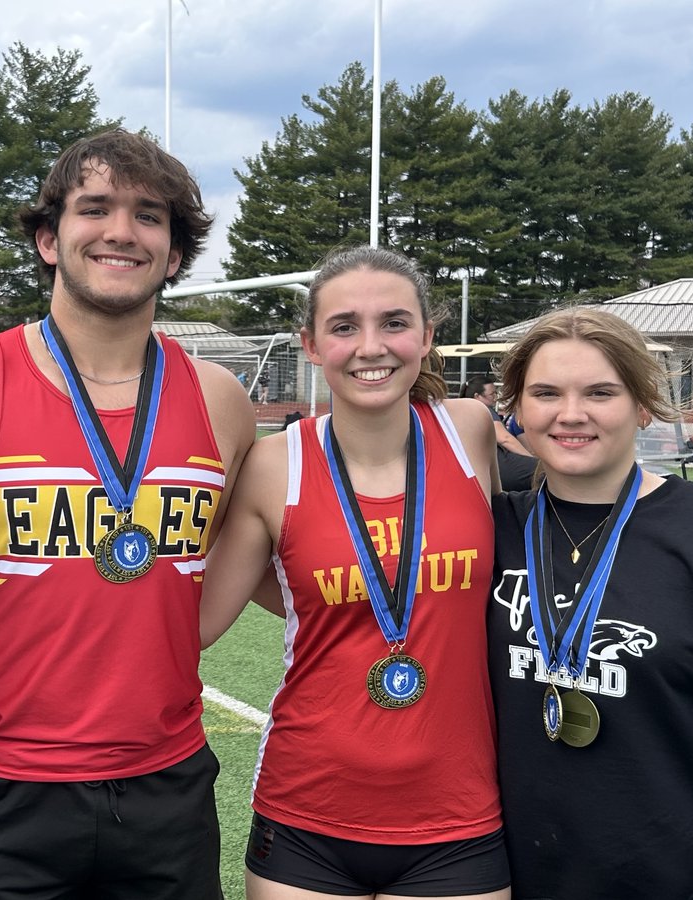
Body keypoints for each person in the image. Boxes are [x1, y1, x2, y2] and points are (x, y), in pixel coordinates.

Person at [0, 129, 256, 898]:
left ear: (176, 252)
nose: (122, 231)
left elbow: (259, 549)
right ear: (50, 238)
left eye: (149, 215)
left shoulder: (222, 401)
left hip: (168, 786)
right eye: (96, 208)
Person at [200, 246, 510, 900]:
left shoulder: (469, 432)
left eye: (394, 323)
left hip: (458, 814)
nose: (371, 346)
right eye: (345, 327)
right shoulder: (272, 465)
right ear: (311, 344)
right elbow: (197, 619)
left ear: (428, 337)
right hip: (306, 814)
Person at [488, 308, 693, 899]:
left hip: (678, 881)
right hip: (498, 881)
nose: (571, 414)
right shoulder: (485, 530)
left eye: (601, 392)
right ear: (516, 409)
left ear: (643, 405)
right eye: (545, 393)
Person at [462, 373, 537, 491]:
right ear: (477, 396)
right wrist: (532, 459)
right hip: (500, 467)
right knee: (542, 472)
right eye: (492, 394)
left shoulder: (462, 412)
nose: (496, 397)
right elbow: (505, 439)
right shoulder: (484, 410)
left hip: (477, 471)